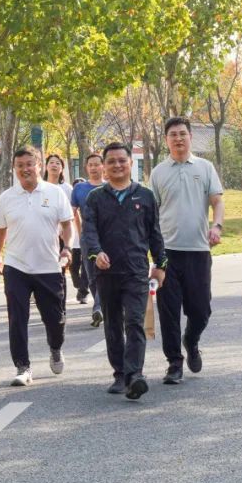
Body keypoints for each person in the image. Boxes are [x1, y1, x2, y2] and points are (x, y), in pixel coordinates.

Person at [81, 142, 167, 400]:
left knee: (135, 322)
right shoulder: (95, 198)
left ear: (131, 163)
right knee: (113, 324)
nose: (117, 165)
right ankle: (120, 373)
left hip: (136, 272)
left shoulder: (145, 196)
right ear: (104, 167)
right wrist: (96, 254)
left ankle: (134, 375)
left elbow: (155, 234)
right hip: (106, 273)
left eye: (122, 160)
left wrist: (160, 264)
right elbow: (89, 232)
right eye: (111, 161)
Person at [150, 116, 225, 385]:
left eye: (182, 133)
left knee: (201, 310)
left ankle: (191, 341)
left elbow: (217, 201)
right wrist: (153, 252)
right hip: (167, 254)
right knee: (168, 312)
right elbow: (152, 214)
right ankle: (174, 363)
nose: (178, 138)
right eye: (173, 134)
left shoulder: (205, 167)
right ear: (166, 140)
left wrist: (216, 226)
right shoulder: (158, 173)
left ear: (190, 137)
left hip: (198, 251)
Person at [0, 146, 73, 386]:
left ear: (39, 165)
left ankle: (55, 347)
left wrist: (67, 248)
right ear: (14, 169)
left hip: (49, 266)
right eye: (20, 166)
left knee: (55, 319)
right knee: (17, 319)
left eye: (29, 164)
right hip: (16, 266)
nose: (25, 169)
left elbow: (67, 225)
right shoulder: (7, 198)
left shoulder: (55, 193)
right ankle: (23, 367)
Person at [44, 153, 84, 306]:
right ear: (45, 166)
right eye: (51, 162)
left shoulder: (67, 189)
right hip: (45, 238)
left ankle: (60, 306)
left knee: (60, 270)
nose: (54, 165)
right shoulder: (40, 188)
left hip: (63, 238)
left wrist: (79, 235)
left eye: (58, 163)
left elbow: (74, 214)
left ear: (62, 168)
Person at [71, 152, 106, 325]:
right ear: (86, 167)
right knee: (91, 277)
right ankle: (101, 306)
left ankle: (98, 307)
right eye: (90, 165)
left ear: (103, 166)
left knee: (104, 274)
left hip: (107, 237)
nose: (93, 168)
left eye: (97, 164)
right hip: (87, 238)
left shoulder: (109, 187)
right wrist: (80, 233)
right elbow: (73, 213)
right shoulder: (79, 188)